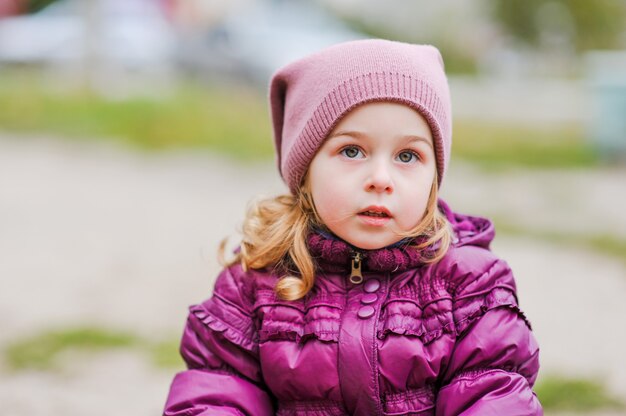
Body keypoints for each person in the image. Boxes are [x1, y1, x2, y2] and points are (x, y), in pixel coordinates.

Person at [163, 39, 542, 415]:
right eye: (352, 151)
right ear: (305, 169)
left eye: (407, 156)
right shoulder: (256, 283)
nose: (380, 178)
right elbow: (218, 391)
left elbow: (492, 391)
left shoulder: (467, 284)